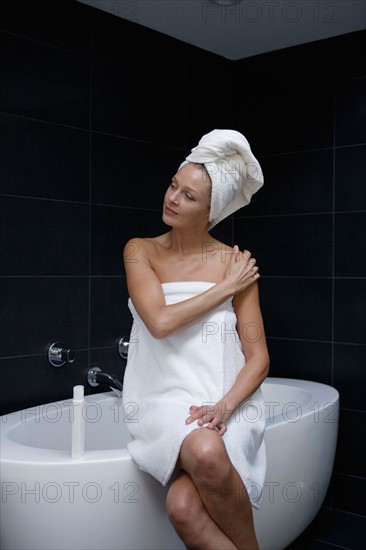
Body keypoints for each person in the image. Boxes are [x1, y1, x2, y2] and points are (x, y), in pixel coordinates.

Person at [122, 129, 270, 550]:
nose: (172, 198)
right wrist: (226, 287)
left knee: (184, 509)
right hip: (161, 401)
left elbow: (258, 357)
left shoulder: (234, 263)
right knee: (205, 451)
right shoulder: (141, 251)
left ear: (211, 210)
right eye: (173, 185)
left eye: (188, 196)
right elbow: (160, 323)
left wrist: (224, 407)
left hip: (229, 401)